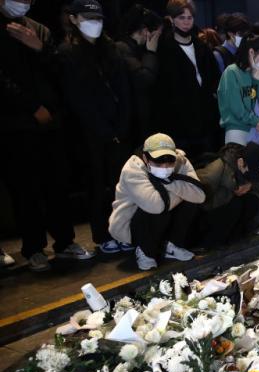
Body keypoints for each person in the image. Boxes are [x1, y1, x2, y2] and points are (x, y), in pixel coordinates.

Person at [1, 0, 96, 271]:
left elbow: (58, 67)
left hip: (51, 123)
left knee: (57, 186)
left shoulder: (39, 29)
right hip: (16, 124)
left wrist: (39, 48)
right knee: (25, 190)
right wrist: (32, 107)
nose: (23, 3)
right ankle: (33, 248)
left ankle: (65, 243)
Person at [60, 0, 131, 255]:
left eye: (99, 19)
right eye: (89, 18)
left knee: (119, 185)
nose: (95, 24)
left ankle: (122, 231)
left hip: (117, 129)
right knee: (96, 186)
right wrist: (103, 129)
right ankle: (102, 236)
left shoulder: (110, 49)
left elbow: (123, 89)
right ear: (74, 19)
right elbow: (77, 98)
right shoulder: (67, 53)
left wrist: (121, 125)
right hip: (89, 133)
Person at [216, 34, 259, 231]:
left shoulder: (256, 74)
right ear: (251, 52)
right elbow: (235, 107)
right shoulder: (232, 73)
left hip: (258, 131)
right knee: (243, 179)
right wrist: (255, 121)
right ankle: (250, 223)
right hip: (238, 130)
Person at [109, 133, 205, 271]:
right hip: (132, 220)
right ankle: (145, 251)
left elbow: (199, 195)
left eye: (169, 160)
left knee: (190, 203)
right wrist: (181, 189)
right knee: (158, 209)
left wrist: (169, 184)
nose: (165, 166)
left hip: (162, 208)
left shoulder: (181, 160)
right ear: (145, 158)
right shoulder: (132, 169)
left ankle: (171, 246)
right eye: (158, 161)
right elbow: (156, 206)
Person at [155, 0, 220, 159]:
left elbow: (215, 78)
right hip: (178, 123)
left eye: (189, 18)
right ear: (171, 19)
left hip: (205, 119)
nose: (186, 21)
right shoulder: (164, 47)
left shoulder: (202, 47)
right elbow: (162, 89)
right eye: (181, 17)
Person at [195, 142, 259, 248]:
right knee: (236, 204)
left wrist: (248, 187)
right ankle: (211, 241)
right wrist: (234, 191)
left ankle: (233, 238)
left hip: (224, 204)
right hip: (207, 212)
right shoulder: (219, 167)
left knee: (252, 200)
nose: (249, 174)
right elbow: (200, 197)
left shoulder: (240, 168)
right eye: (249, 169)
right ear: (241, 162)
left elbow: (255, 184)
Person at [116, 4, 161, 144]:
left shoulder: (135, 49)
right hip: (133, 125)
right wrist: (151, 52)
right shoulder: (123, 48)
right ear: (145, 31)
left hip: (140, 120)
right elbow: (144, 79)